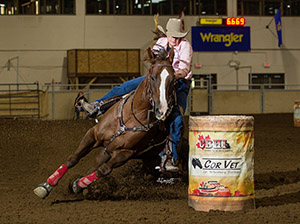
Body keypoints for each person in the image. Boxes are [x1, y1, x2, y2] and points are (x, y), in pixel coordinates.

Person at [81, 18, 193, 172]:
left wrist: (170, 74)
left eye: (178, 36)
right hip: (156, 79)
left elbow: (184, 70)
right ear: (167, 35)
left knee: (177, 118)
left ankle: (169, 157)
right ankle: (97, 106)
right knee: (125, 87)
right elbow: (154, 62)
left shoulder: (186, 46)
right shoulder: (161, 43)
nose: (176, 39)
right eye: (173, 36)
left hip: (178, 83)